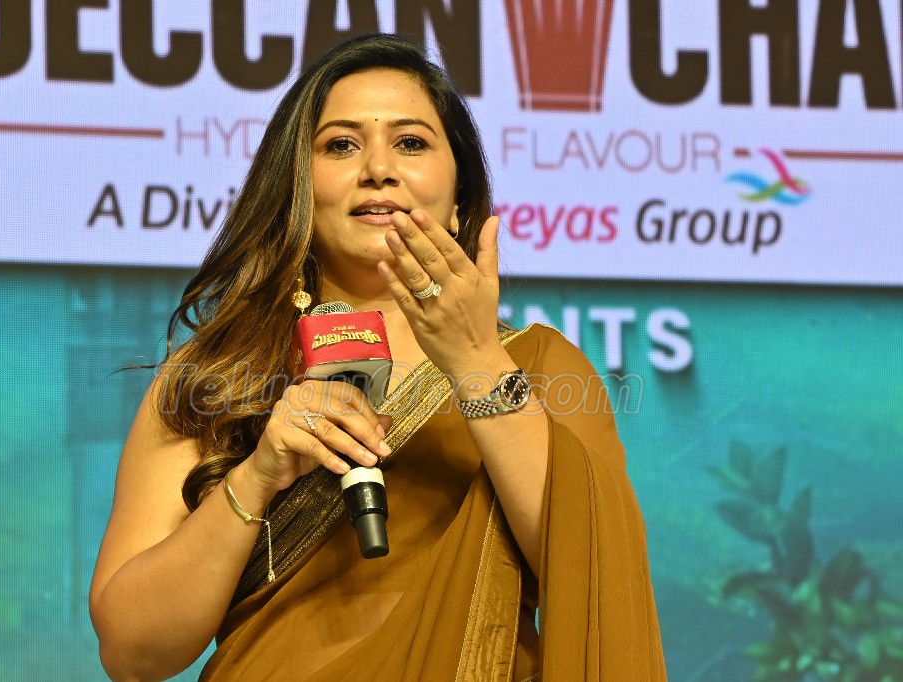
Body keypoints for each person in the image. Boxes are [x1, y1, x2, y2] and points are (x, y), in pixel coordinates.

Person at [89, 33, 667, 681]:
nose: (378, 169)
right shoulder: (216, 375)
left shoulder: (540, 366)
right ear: (297, 188)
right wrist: (258, 475)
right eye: (341, 145)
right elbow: (132, 652)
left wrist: (475, 361)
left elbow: (595, 572)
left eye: (411, 143)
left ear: (459, 195)